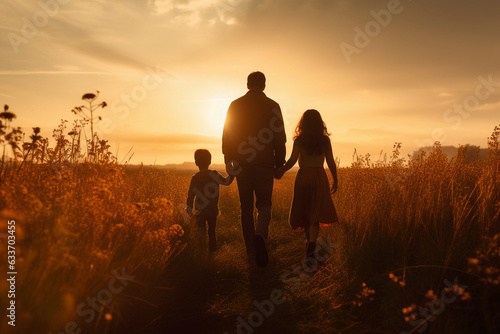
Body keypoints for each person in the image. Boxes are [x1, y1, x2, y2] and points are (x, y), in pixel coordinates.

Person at [222, 71, 287, 267]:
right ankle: (260, 233)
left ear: (248, 84)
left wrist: (229, 158)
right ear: (264, 86)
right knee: (264, 203)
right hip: (265, 163)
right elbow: (279, 137)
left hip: (242, 163)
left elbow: (227, 133)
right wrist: (280, 162)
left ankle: (250, 248)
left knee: (246, 207)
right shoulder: (273, 106)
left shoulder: (235, 105)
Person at [275, 109, 339, 259]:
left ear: (303, 123)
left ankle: (308, 242)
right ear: (319, 123)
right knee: (315, 214)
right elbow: (330, 161)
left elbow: (291, 160)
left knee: (305, 211)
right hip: (319, 177)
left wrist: (281, 171)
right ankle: (311, 243)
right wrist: (335, 179)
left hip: (303, 176)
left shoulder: (300, 140)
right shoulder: (324, 141)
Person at [187, 149, 234, 252]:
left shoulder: (195, 178)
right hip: (212, 210)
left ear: (196, 162)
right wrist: (232, 173)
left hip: (199, 212)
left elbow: (190, 197)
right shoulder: (214, 174)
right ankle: (212, 254)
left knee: (201, 234)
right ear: (209, 161)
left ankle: (202, 254)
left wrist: (189, 212)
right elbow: (226, 182)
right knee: (212, 233)